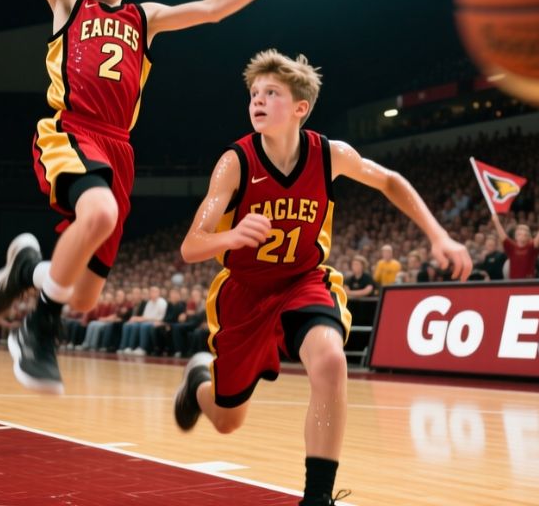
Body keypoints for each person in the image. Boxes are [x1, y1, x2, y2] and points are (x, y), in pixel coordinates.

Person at [0, 0, 309, 394]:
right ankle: (37, 328)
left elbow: (210, 9)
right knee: (99, 213)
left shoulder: (145, 18)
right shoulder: (68, 4)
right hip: (71, 129)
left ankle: (30, 269)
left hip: (119, 147)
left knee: (87, 293)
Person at [173, 50, 471, 506]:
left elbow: (390, 180)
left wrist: (439, 235)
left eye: (271, 92)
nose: (258, 100)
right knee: (228, 419)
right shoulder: (235, 162)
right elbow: (192, 246)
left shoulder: (330, 154)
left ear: (300, 108)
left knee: (331, 362)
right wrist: (231, 234)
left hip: (303, 281)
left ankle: (317, 498)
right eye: (254, 93)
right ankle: (199, 384)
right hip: (245, 295)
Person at [491, 207, 539, 279]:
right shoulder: (512, 247)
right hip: (514, 283)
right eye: (519, 234)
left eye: (525, 234)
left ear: (528, 237)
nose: (522, 236)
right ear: (515, 236)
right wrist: (496, 222)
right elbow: (503, 236)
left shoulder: (531, 246)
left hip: (528, 283)